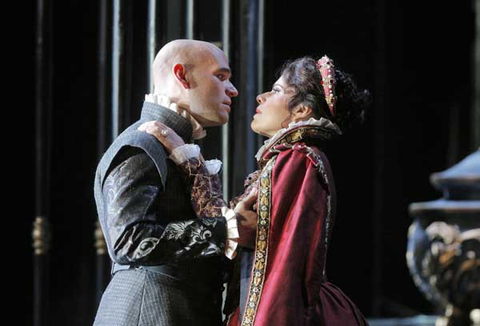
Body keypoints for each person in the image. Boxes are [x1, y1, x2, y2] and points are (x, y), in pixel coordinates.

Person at [140, 55, 371, 325]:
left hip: (278, 307)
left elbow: (279, 259)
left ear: (301, 110)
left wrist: (187, 159)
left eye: (276, 91)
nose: (260, 97)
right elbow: (242, 228)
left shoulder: (297, 159)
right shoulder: (291, 158)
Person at [93, 39, 259, 326]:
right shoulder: (141, 143)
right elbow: (128, 241)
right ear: (182, 75)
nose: (233, 90)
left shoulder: (177, 146)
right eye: (220, 77)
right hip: (148, 314)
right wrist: (227, 229)